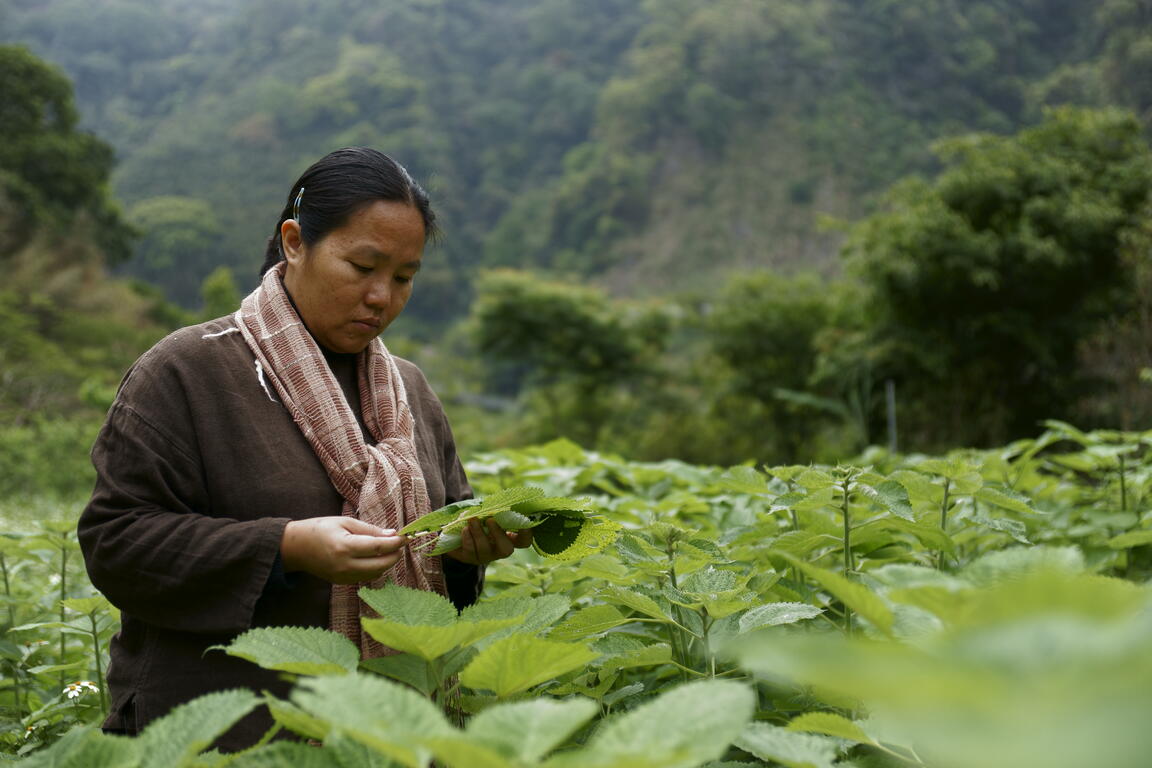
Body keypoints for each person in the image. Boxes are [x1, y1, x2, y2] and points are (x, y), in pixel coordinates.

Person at [77, 147, 531, 750]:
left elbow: (442, 544)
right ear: (294, 242)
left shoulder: (411, 392)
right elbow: (117, 543)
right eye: (362, 266)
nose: (381, 297)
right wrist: (285, 548)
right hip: (218, 733)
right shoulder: (188, 371)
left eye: (403, 278)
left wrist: (469, 550)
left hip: (379, 742)